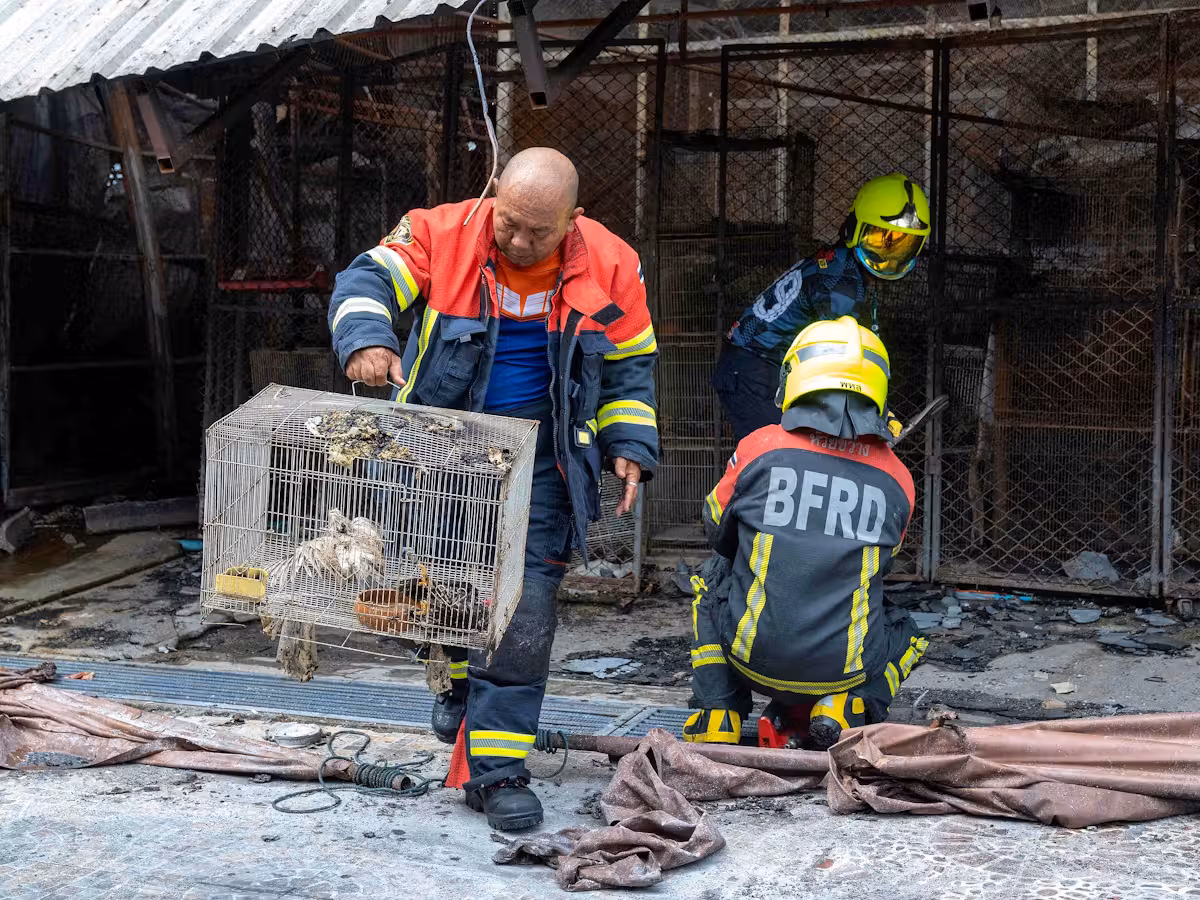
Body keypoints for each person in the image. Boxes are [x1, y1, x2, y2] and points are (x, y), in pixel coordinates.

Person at [327, 147, 659, 830]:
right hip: (437, 458)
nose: (517, 239)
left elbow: (631, 366)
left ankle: (498, 772)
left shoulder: (613, 263)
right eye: (508, 221)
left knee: (524, 615)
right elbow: (365, 280)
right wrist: (366, 337)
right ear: (493, 195)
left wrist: (630, 444)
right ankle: (453, 678)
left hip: (544, 465)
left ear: (575, 219)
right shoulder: (438, 232)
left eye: (539, 230)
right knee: (447, 594)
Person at [685, 315, 928, 751]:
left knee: (711, 577)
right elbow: (880, 564)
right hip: (844, 667)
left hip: (749, 658)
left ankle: (718, 713)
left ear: (795, 376)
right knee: (906, 629)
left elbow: (717, 532)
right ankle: (843, 707)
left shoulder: (760, 447)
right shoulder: (900, 480)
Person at [713, 173, 931, 443]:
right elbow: (843, 359)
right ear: (855, 229)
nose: (889, 257)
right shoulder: (841, 283)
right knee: (771, 458)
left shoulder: (838, 263)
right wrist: (877, 413)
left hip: (756, 367)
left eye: (903, 246)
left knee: (787, 456)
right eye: (879, 240)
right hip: (753, 370)